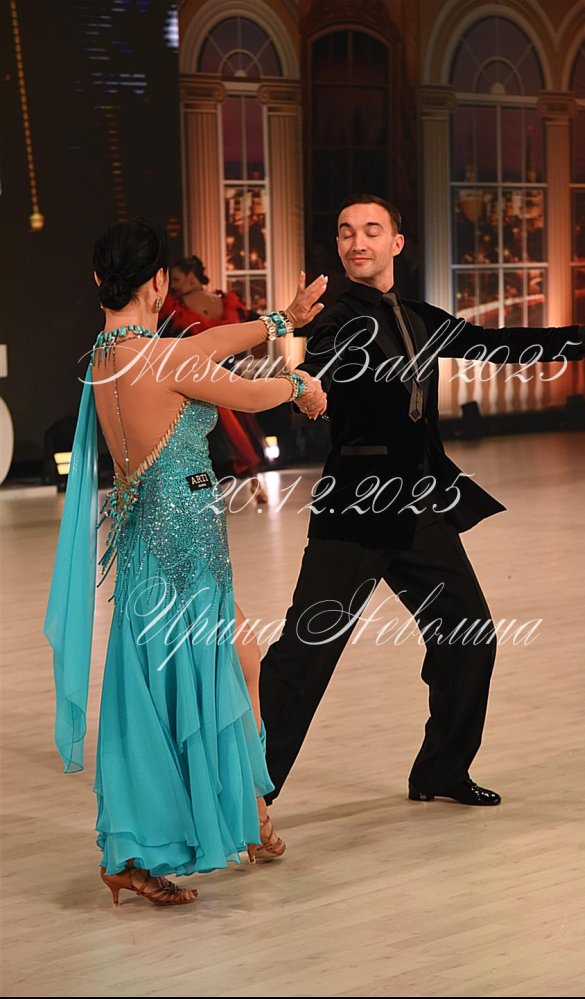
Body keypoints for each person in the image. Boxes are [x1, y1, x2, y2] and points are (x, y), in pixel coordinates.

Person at [259, 192, 585, 809]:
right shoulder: (337, 317)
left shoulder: (420, 317)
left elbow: (493, 342)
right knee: (304, 655)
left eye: (371, 230)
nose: (357, 241)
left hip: (418, 508)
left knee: (469, 637)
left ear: (397, 243)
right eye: (345, 231)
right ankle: (246, 795)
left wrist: (583, 339)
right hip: (357, 512)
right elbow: (324, 363)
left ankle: (441, 771)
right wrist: (306, 387)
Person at [43, 216, 327, 906]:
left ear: (99, 280)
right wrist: (298, 385)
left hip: (152, 548)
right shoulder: (165, 360)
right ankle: (162, 842)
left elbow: (206, 344)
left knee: (234, 663)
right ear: (159, 283)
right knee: (196, 687)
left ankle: (246, 814)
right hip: (187, 552)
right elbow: (248, 393)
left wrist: (280, 319)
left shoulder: (105, 357)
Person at [163, 255, 270, 505]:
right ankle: (255, 486)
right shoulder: (224, 303)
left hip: (202, 382)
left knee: (208, 441)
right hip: (230, 379)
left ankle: (205, 496)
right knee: (240, 437)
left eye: (176, 279)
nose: (174, 285)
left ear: (191, 277)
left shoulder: (178, 308)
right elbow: (254, 325)